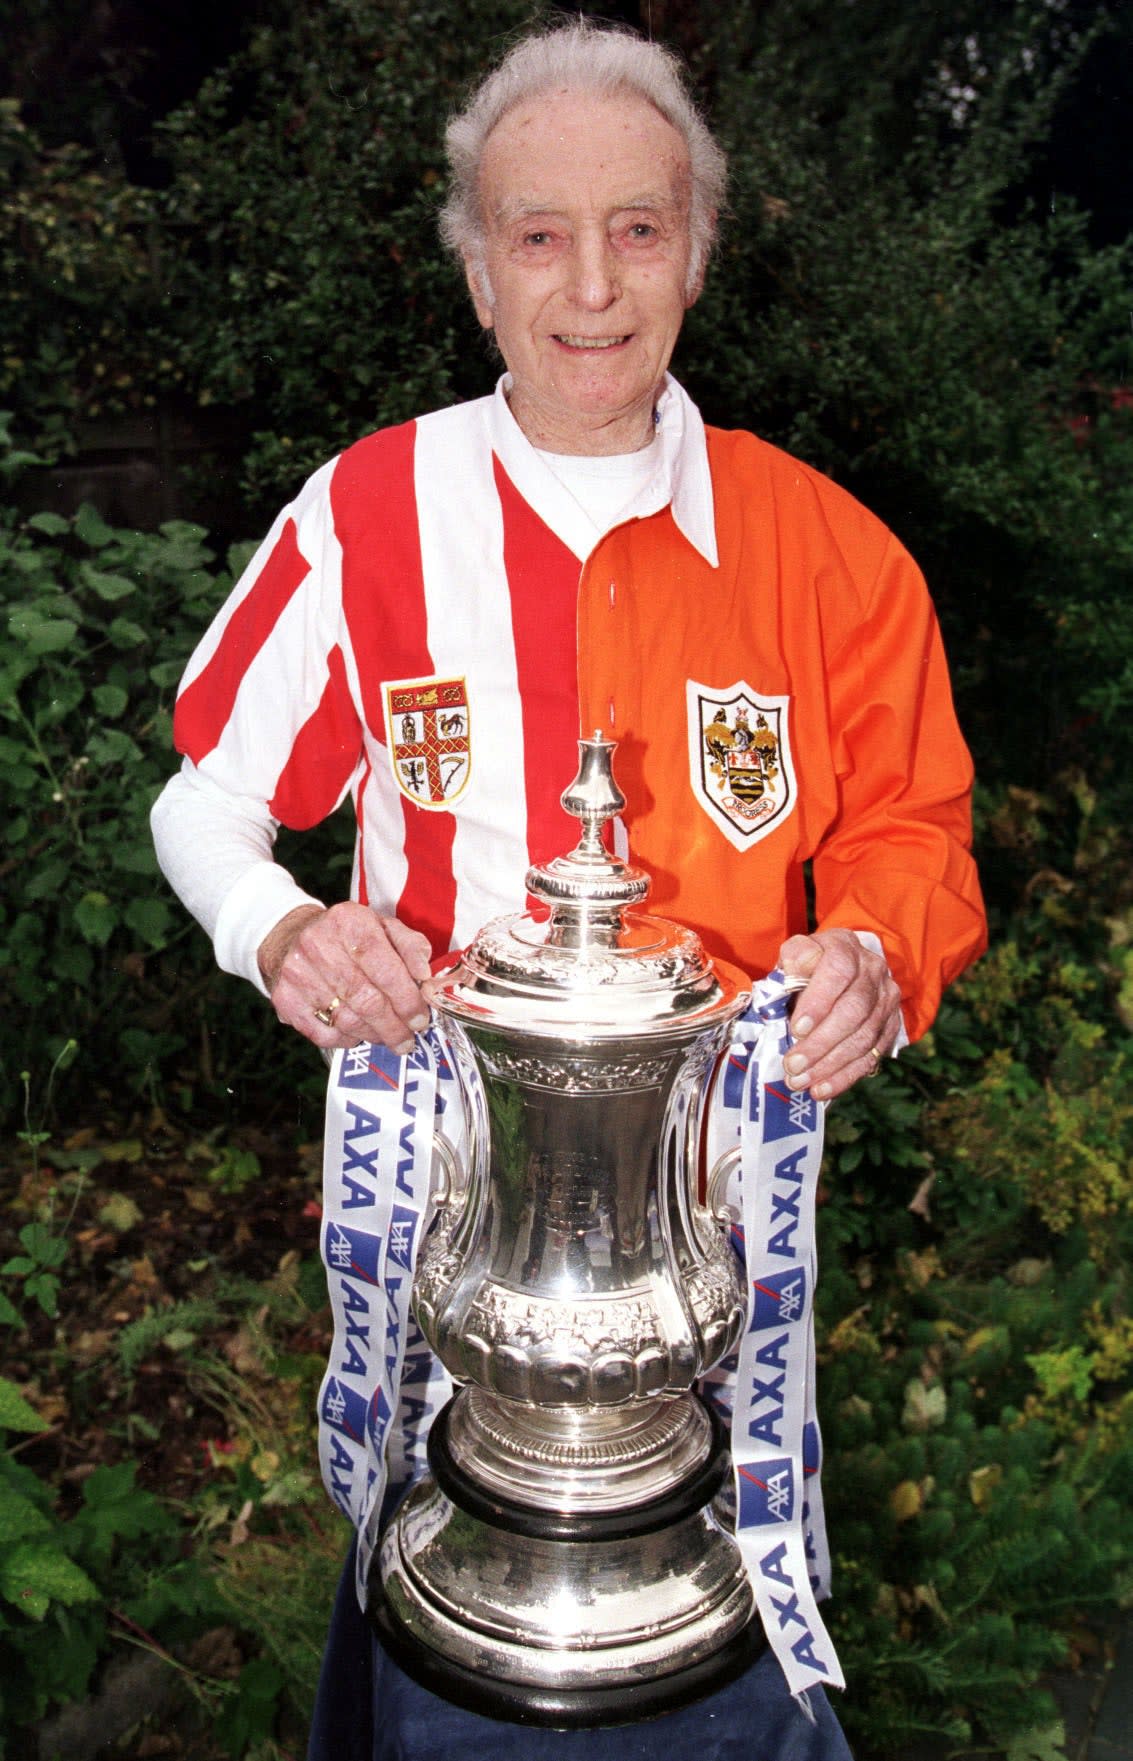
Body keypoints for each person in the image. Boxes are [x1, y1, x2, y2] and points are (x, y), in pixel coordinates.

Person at [151, 20, 987, 1759]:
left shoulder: (826, 546)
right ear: (474, 273)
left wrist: (874, 954)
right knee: (441, 1663)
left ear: (697, 250)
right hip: (450, 1242)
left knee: (718, 1674)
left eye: (638, 229)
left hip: (716, 1262)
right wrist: (282, 928)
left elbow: (913, 826)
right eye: (538, 233)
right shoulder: (368, 514)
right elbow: (208, 799)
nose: (591, 285)